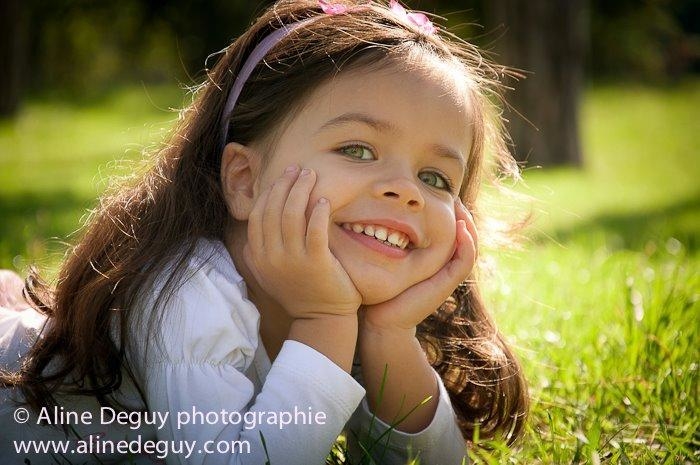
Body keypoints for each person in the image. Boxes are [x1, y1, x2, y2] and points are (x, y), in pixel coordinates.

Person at [0, 0, 528, 463]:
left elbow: (428, 462)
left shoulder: (364, 304)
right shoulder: (189, 289)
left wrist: (390, 335)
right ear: (245, 181)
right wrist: (324, 321)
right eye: (357, 149)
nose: (405, 191)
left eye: (435, 178)